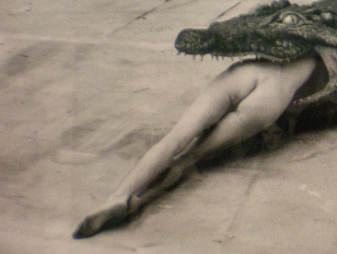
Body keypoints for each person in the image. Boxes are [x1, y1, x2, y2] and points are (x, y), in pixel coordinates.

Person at [72, 58, 316, 238]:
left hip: (244, 72)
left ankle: (118, 196)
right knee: (189, 158)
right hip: (275, 93)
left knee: (174, 139)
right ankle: (140, 199)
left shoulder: (297, 21)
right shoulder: (335, 48)